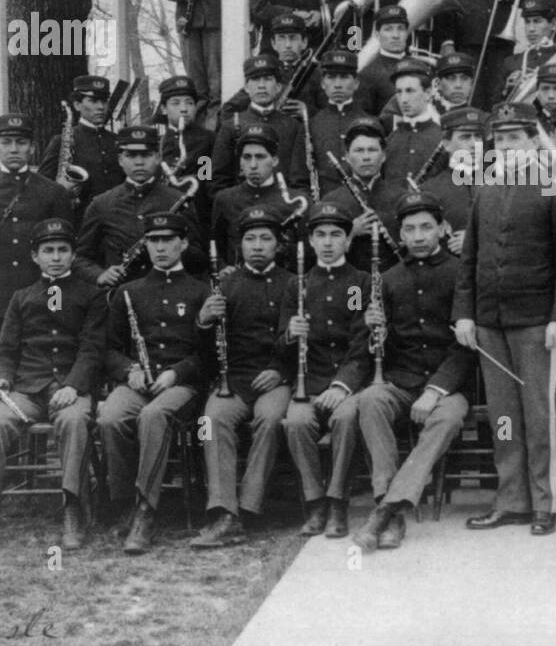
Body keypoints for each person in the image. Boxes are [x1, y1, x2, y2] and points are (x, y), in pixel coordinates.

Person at [454, 102, 556, 535]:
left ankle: (544, 504)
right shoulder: (486, 188)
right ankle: (511, 500)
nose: (507, 145)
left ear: (533, 140)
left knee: (538, 415)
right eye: (500, 138)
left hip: (536, 324)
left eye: (515, 137)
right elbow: (469, 258)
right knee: (504, 417)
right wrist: (465, 315)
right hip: (490, 324)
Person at [0, 217, 105, 554]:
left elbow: (92, 348)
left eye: (63, 250)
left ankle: (72, 510)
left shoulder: (91, 295)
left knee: (73, 421)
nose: (56, 257)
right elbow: (5, 349)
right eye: (48, 250)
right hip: (26, 390)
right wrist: (2, 378)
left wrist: (73, 385)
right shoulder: (22, 297)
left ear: (72, 254)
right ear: (35, 256)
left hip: (70, 389)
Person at [351, 191, 477, 551]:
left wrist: (435, 390)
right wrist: (373, 328)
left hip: (448, 388)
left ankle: (385, 509)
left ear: (442, 229)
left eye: (426, 227)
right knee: (371, 401)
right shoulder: (388, 278)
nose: (418, 236)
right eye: (410, 229)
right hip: (401, 380)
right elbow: (378, 349)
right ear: (401, 235)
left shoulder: (461, 275)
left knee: (448, 420)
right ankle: (393, 509)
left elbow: (466, 347)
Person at [100, 211, 212, 555]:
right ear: (145, 245)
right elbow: (109, 349)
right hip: (137, 381)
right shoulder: (128, 292)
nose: (160, 248)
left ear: (183, 244)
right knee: (110, 417)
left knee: (153, 416)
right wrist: (128, 370)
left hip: (182, 385)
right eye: (153, 241)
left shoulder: (201, 291)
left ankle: (146, 511)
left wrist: (176, 372)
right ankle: (124, 503)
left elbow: (209, 356)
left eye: (167, 240)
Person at [190, 207, 295, 547]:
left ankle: (249, 506)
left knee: (269, 418)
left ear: (279, 246)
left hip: (275, 380)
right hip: (232, 379)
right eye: (251, 239)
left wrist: (281, 371)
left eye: (266, 239)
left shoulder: (292, 283)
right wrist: (204, 321)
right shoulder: (225, 284)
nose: (258, 246)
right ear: (240, 245)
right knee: (211, 419)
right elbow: (203, 352)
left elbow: (308, 343)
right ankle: (224, 512)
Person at [281, 200, 372, 538]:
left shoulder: (357, 284)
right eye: (321, 235)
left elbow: (360, 342)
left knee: (346, 419)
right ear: (311, 242)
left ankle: (338, 503)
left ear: (349, 240)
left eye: (336, 234)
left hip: (346, 384)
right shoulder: (297, 285)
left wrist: (341, 386)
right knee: (295, 422)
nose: (329, 242)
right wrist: (292, 333)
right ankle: (314, 503)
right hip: (309, 381)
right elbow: (280, 346)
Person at [0, 113, 74, 356]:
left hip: (46, 297)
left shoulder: (54, 192)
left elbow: (69, 254)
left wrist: (58, 303)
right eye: (6, 143)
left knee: (50, 364)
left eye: (21, 142)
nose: (14, 149)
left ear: (32, 148)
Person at [73, 125, 203, 288]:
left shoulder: (178, 200)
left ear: (157, 158)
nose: (139, 162)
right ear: (120, 160)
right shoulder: (101, 204)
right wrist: (100, 275)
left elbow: (199, 257)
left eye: (146, 155)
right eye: (131, 155)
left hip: (171, 293)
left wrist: (173, 248)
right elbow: (79, 258)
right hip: (121, 295)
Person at [211, 54, 310, 193]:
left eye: (268, 79)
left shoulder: (293, 126)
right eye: (256, 79)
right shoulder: (231, 126)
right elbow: (217, 179)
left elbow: (300, 179)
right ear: (246, 87)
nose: (262, 86)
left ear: (278, 87)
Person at [209, 125, 300, 269]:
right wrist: (222, 267)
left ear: (275, 160)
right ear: (240, 162)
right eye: (246, 157)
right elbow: (215, 245)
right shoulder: (225, 199)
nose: (252, 165)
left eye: (260, 157)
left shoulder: (296, 201)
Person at [321, 117, 405, 272]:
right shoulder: (332, 200)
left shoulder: (401, 197)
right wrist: (352, 232)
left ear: (384, 155)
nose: (366, 157)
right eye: (359, 150)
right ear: (347, 156)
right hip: (352, 286)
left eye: (372, 150)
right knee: (356, 297)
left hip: (391, 284)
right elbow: (323, 255)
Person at [38, 74, 123, 219]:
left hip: (117, 220)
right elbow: (41, 186)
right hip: (79, 221)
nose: (101, 107)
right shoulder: (62, 140)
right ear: (77, 105)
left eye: (104, 101)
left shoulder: (118, 141)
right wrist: (60, 189)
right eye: (93, 101)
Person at [417, 105, 486, 251]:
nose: (474, 144)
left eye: (478, 136)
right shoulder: (430, 191)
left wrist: (475, 241)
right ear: (447, 144)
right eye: (465, 137)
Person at [155, 74, 216, 227]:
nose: (184, 109)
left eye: (189, 103)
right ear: (163, 108)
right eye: (175, 103)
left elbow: (206, 178)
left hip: (197, 215)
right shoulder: (156, 142)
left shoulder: (207, 140)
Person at [306, 49, 369, 194]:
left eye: (344, 77)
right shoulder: (311, 125)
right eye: (332, 77)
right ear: (322, 83)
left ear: (356, 83)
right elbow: (300, 179)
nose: (338, 84)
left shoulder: (370, 122)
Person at [380, 57, 442, 187]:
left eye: (410, 91)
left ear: (428, 93)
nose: (403, 100)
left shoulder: (442, 138)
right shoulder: (390, 140)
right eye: (399, 92)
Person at [495, 0, 556, 105]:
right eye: (528, 22)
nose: (531, 29)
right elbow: (496, 106)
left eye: (537, 21)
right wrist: (508, 89)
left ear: (553, 24)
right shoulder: (511, 62)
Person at [356, 5, 414, 116]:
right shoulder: (367, 74)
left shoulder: (421, 66)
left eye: (400, 28)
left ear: (407, 33)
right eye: (388, 29)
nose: (396, 35)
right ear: (377, 35)